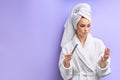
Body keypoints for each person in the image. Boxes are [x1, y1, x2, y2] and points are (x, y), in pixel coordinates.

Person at [58, 3, 111, 80]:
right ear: (76, 26)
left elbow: (101, 73)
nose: (86, 29)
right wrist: (66, 63)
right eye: (82, 26)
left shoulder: (98, 44)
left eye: (88, 25)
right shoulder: (68, 47)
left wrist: (103, 63)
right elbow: (66, 76)